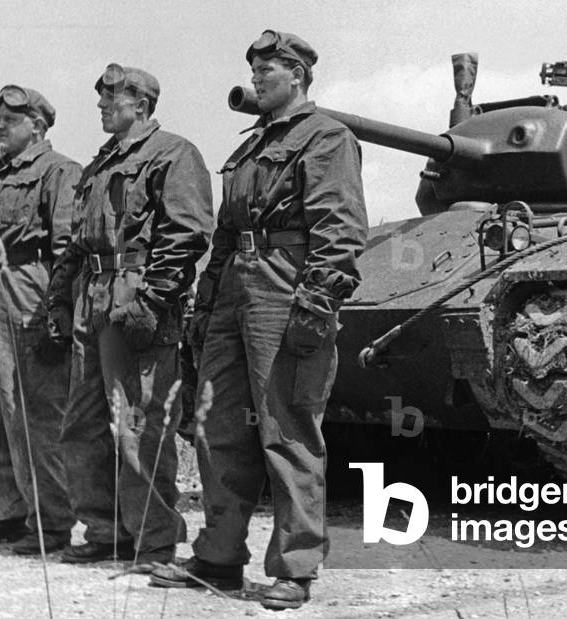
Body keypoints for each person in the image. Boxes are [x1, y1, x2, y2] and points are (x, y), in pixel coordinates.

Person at [149, 30, 368, 610]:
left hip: (284, 285)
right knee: (220, 428)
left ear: (297, 74)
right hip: (235, 291)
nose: (257, 76)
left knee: (287, 428)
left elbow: (339, 232)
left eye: (268, 67)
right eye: (255, 67)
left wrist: (316, 305)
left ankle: (295, 568)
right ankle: (218, 557)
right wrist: (207, 302)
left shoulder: (326, 138)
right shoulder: (248, 149)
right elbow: (224, 234)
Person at [48, 64, 212, 566]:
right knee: (84, 422)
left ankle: (154, 538)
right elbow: (77, 241)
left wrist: (152, 300)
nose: (101, 105)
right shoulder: (100, 165)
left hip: (134, 291)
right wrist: (58, 297)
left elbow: (187, 233)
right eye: (101, 97)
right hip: (92, 293)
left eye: (113, 97)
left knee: (138, 423)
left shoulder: (174, 154)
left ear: (142, 105)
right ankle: (105, 530)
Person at [0, 85, 78, 554]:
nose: (0, 125)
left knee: (30, 408)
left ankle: (51, 520)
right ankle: (0, 511)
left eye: (12, 118)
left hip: (26, 284)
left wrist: (57, 308)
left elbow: (66, 246)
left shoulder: (59, 171)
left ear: (38, 126)